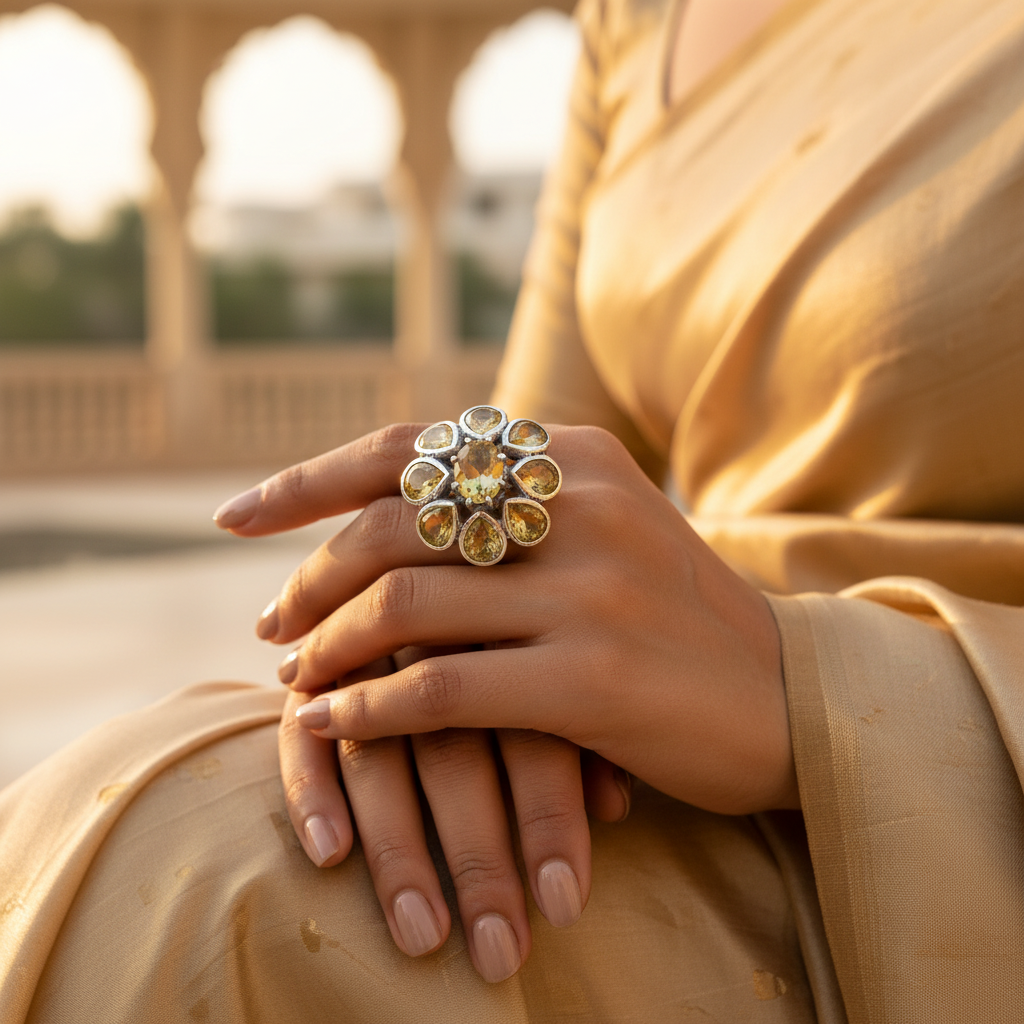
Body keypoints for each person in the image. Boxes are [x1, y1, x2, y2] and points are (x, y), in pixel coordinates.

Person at [2, 0, 1023, 1019]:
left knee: (214, 899)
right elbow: (532, 475)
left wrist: (809, 684)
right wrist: (433, 653)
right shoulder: (637, 20)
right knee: (175, 821)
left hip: (956, 779)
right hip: (653, 736)